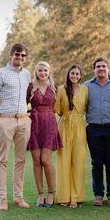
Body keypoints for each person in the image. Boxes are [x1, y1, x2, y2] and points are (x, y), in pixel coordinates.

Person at [0, 42, 31, 211]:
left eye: (23, 55)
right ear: (11, 55)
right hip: (5, 120)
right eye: (17, 54)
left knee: (21, 160)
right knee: (2, 160)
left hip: (23, 121)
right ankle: (2, 199)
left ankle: (18, 197)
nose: (20, 57)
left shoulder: (27, 74)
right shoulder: (0, 73)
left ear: (25, 58)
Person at [84, 57, 110, 207]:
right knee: (97, 162)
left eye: (103, 66)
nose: (101, 69)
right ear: (94, 69)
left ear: (108, 68)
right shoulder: (87, 86)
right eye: (98, 66)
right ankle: (98, 194)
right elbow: (84, 103)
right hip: (93, 128)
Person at [27, 61, 62, 208]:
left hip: (49, 124)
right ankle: (40, 194)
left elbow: (61, 107)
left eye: (45, 71)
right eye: (40, 70)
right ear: (36, 72)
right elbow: (21, 103)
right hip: (34, 124)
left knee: (46, 160)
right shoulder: (31, 87)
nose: (43, 73)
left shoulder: (55, 87)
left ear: (49, 72)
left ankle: (51, 193)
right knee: (36, 160)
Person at [54, 64, 88, 208]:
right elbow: (57, 108)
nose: (74, 76)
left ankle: (75, 197)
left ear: (80, 76)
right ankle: (64, 196)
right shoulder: (61, 89)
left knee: (78, 161)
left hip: (80, 126)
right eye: (72, 73)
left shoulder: (85, 89)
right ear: (68, 74)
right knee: (64, 161)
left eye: (77, 74)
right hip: (65, 126)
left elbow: (86, 106)